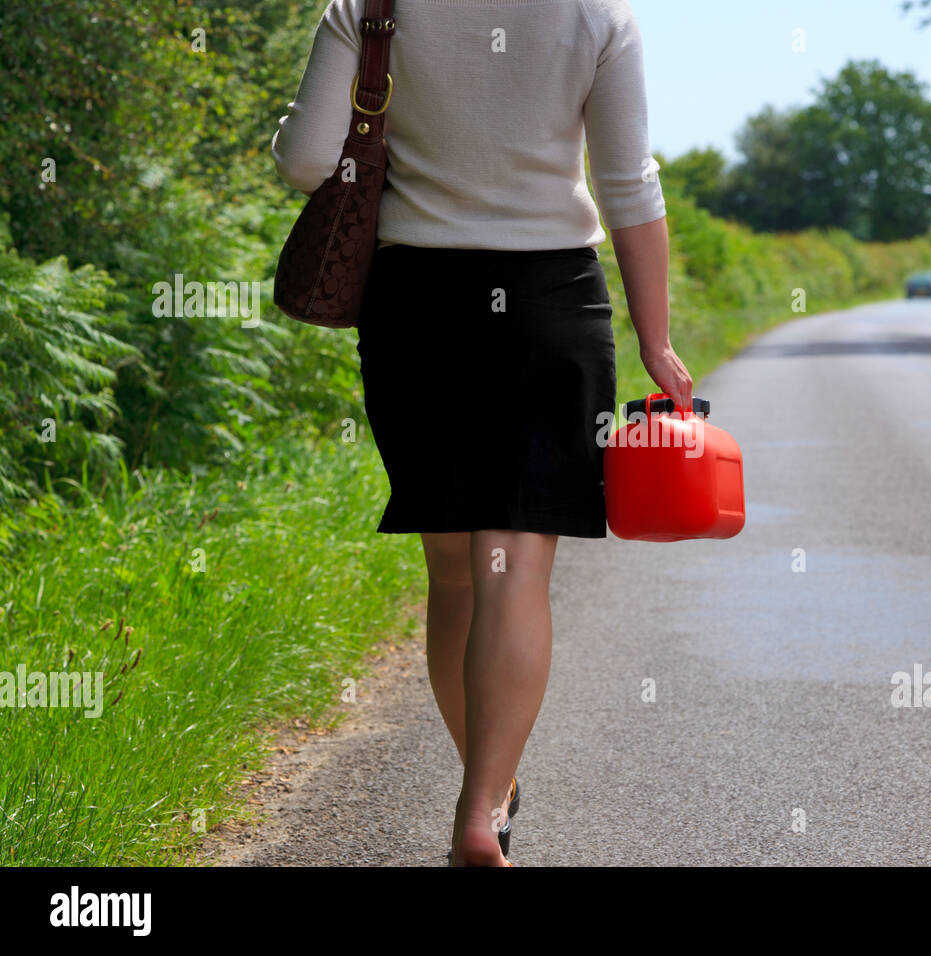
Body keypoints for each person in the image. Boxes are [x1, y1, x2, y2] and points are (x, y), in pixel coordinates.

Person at [271, 0, 691, 865]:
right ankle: (478, 809)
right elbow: (627, 183)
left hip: (418, 313)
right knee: (518, 564)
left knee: (455, 571)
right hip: (550, 306)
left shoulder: (370, 6)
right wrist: (656, 340)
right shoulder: (598, 15)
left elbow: (309, 159)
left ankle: (487, 787)